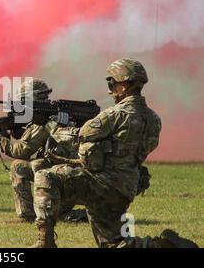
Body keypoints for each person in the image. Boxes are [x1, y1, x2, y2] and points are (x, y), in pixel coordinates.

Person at [31, 59, 198, 248]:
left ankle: (45, 242)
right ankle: (163, 246)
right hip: (126, 189)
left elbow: (79, 137)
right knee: (113, 244)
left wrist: (51, 125)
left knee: (46, 176)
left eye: (112, 84)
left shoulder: (115, 114)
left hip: (102, 184)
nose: (110, 90)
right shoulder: (154, 119)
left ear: (125, 85)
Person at [0, 79, 81, 222]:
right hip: (71, 174)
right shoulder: (53, 117)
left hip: (68, 178)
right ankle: (37, 214)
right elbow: (30, 140)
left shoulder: (46, 121)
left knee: (20, 166)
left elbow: (20, 151)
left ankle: (30, 215)